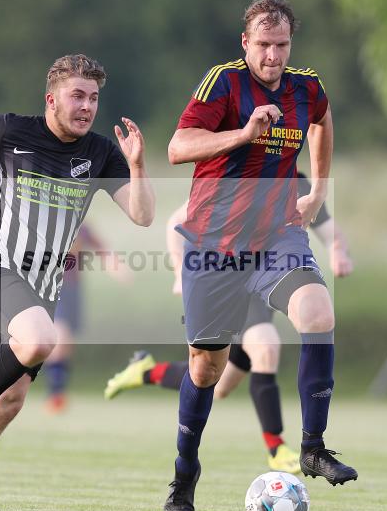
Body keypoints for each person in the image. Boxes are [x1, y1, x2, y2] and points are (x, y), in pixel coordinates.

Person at [0, 54, 155, 511]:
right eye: (76, 96)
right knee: (41, 342)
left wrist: (138, 166)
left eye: (93, 98)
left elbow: (142, 216)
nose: (86, 106)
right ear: (52, 99)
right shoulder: (9, 130)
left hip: (43, 289)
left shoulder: (100, 151)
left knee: (11, 402)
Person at [161, 0, 357, 511]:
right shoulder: (222, 82)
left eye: (282, 45)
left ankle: (312, 448)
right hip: (214, 243)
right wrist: (244, 133)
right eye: (264, 45)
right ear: (245, 43)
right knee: (206, 371)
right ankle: (184, 473)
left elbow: (322, 119)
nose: (273, 56)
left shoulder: (305, 86)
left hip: (276, 235)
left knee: (317, 311)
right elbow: (177, 147)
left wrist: (318, 187)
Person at [104, 175, 353, 474]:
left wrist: (338, 252)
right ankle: (277, 449)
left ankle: (148, 371)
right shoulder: (238, 174)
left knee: (218, 382)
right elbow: (176, 221)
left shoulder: (298, 183)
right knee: (266, 346)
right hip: (228, 281)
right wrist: (178, 271)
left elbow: (330, 232)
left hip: (271, 281)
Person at [47, 225, 130, 414]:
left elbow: (102, 250)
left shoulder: (81, 226)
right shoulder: (45, 220)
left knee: (66, 344)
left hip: (73, 289)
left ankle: (57, 391)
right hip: (50, 287)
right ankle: (54, 395)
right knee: (60, 336)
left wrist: (117, 268)